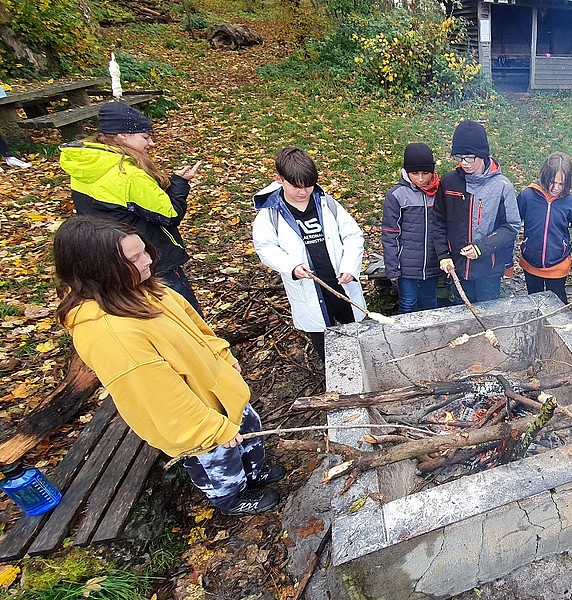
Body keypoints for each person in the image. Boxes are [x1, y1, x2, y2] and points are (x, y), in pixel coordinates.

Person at [53, 216, 284, 515]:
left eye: (143, 251)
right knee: (218, 464)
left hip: (221, 392)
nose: (148, 260)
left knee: (247, 434)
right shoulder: (111, 335)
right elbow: (161, 399)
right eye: (134, 258)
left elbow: (196, 326)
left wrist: (224, 358)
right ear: (100, 271)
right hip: (195, 421)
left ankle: (254, 471)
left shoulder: (145, 290)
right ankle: (232, 500)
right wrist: (210, 429)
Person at [59, 102, 203, 314]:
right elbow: (170, 214)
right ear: (123, 136)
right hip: (150, 259)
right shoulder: (128, 175)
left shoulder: (87, 166)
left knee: (142, 311)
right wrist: (180, 183)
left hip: (113, 260)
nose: (151, 143)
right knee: (183, 312)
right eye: (145, 137)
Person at [252, 147, 365, 362]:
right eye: (296, 186)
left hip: (341, 283)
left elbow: (353, 236)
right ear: (279, 179)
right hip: (310, 290)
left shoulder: (328, 204)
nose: (303, 192)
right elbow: (266, 247)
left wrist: (350, 266)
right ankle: (337, 380)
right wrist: (291, 266)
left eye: (308, 186)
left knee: (356, 333)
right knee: (324, 340)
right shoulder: (270, 214)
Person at [433, 120, 520, 303]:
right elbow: (439, 221)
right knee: (464, 315)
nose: (464, 163)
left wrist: (481, 248)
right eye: (459, 157)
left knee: (488, 316)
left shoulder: (502, 186)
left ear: (482, 155)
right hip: (458, 267)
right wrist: (443, 256)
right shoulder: (449, 183)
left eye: (469, 158)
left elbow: (511, 227)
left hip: (489, 269)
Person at [516, 151, 572, 304]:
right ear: (544, 176)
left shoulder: (570, 203)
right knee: (534, 303)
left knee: (557, 303)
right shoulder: (527, 196)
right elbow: (511, 225)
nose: (555, 188)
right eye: (552, 182)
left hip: (558, 266)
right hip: (530, 264)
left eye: (561, 184)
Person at [381, 143, 441, 313]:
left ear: (433, 171)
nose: (421, 179)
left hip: (432, 262)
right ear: (406, 172)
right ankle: (404, 339)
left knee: (430, 301)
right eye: (415, 173)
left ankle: (432, 337)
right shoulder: (396, 194)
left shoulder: (440, 192)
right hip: (405, 264)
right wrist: (392, 267)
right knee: (408, 302)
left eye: (425, 173)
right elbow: (390, 233)